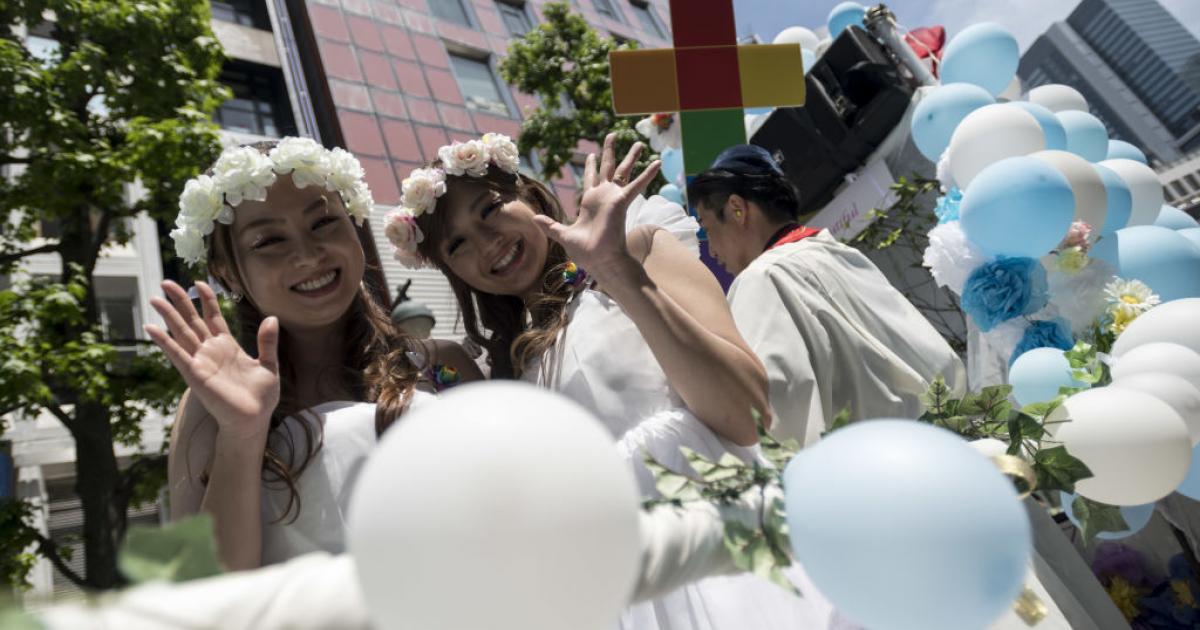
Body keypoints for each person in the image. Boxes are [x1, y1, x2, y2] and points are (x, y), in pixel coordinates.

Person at [385, 132, 842, 629]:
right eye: (456, 244)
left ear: (530, 195)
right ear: (453, 271)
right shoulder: (506, 379)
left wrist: (614, 269)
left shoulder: (639, 250)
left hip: (729, 551)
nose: (486, 242)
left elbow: (747, 414)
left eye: (490, 209)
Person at [147, 137, 481, 571]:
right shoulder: (209, 410)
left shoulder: (444, 365)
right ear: (227, 271)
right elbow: (208, 589)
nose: (307, 255)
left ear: (354, 223)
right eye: (268, 241)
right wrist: (243, 433)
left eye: (323, 223)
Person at [687, 145, 966, 446]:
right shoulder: (840, 252)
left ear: (736, 209)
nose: (711, 251)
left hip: (878, 468)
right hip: (948, 442)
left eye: (706, 228)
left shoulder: (762, 277)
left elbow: (775, 409)